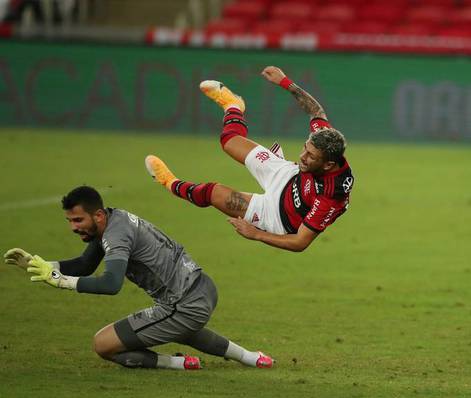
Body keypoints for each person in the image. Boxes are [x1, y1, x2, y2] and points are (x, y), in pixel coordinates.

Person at [3, 186, 273, 371]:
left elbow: (111, 284)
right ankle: (252, 358)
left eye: (77, 220)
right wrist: (40, 265)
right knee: (184, 329)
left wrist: (60, 281)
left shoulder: (116, 235)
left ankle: (173, 363)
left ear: (97, 215)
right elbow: (85, 264)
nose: (73, 227)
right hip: (202, 287)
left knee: (103, 345)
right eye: (70, 221)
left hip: (183, 303)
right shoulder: (114, 218)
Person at [144, 66, 354, 252]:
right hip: (288, 175)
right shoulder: (326, 141)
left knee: (213, 193)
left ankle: (169, 182)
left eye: (311, 156)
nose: (302, 156)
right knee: (229, 141)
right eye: (305, 149)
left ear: (328, 164)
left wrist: (256, 234)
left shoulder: (332, 195)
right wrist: (285, 82)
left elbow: (300, 242)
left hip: (276, 215)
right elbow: (316, 111)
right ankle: (233, 105)